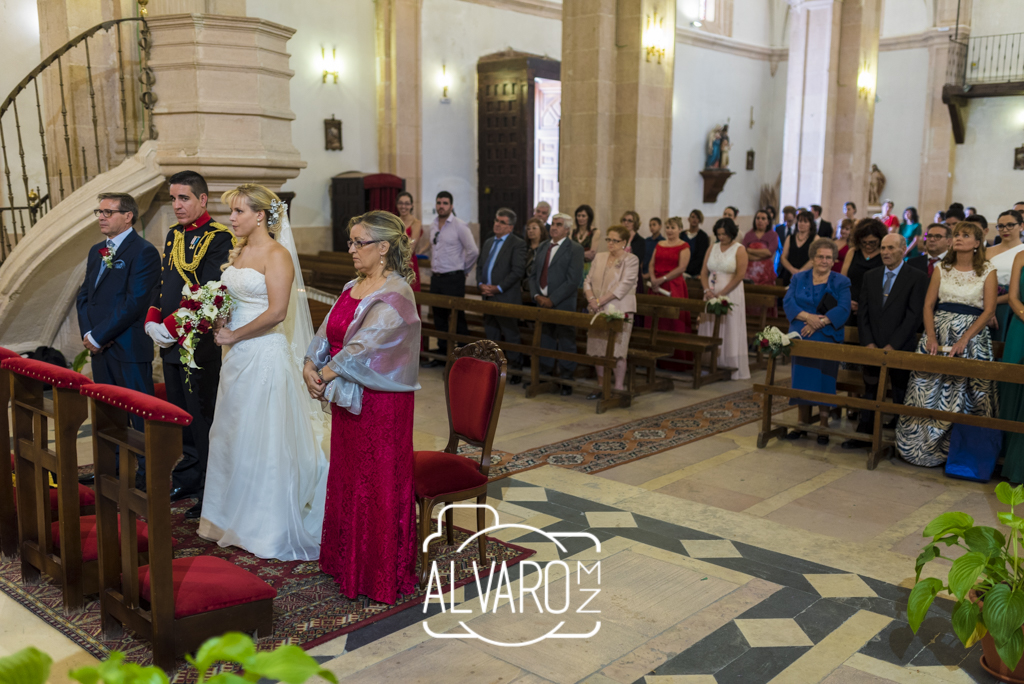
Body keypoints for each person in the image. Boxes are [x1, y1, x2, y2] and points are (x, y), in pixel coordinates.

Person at [199, 184, 329, 561]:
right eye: (231, 211)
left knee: (261, 436)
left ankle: (265, 526)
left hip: (263, 355)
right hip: (235, 357)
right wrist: (216, 316)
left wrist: (234, 334)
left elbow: (277, 312)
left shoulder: (277, 255)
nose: (231, 218)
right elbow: (231, 300)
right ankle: (227, 517)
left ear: (260, 215)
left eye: (238, 211)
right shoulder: (238, 252)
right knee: (232, 434)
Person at [303, 210, 421, 603]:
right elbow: (327, 331)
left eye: (359, 242)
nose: (352, 249)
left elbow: (365, 345)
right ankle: (345, 563)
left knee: (376, 484)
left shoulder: (397, 293)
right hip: (348, 401)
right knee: (348, 480)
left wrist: (325, 374)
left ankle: (378, 573)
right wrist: (309, 364)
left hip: (381, 406)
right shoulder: (351, 286)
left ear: (384, 247)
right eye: (350, 242)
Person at [145, 170, 235, 518]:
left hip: (197, 345)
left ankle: (211, 490)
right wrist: (152, 320)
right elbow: (164, 282)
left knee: (202, 418)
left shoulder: (219, 237)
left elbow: (210, 290)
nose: (177, 205)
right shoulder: (174, 235)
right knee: (180, 417)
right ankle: (188, 477)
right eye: (173, 198)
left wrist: (171, 327)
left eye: (184, 198)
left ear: (202, 199)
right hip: (171, 343)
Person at [76, 192, 160, 489]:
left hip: (128, 346)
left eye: (108, 212)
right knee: (107, 413)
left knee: (140, 415)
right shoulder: (96, 250)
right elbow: (85, 296)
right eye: (99, 212)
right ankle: (110, 470)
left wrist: (100, 335)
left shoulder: (144, 251)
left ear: (128, 216)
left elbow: (135, 302)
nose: (101, 217)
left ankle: (148, 474)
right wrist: (89, 334)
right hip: (101, 348)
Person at [896, 221, 997, 467]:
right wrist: (930, 336)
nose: (959, 238)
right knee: (926, 389)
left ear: (977, 243)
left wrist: (965, 338)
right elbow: (928, 305)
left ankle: (963, 456)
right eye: (957, 234)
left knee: (971, 394)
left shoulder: (987, 270)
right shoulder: (942, 268)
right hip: (938, 332)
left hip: (972, 337)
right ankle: (920, 447)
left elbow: (989, 310)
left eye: (966, 235)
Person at [842, 233, 928, 449]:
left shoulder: (916, 277)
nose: (885, 252)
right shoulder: (871, 275)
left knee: (900, 391)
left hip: (900, 345)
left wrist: (893, 346)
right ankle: (864, 433)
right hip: (873, 344)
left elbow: (914, 316)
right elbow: (863, 313)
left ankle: (901, 440)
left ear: (903, 250)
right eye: (883, 248)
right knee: (870, 390)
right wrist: (869, 343)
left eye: (891, 248)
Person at [783, 239, 852, 445]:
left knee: (825, 378)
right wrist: (808, 317)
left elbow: (844, 308)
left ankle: (823, 424)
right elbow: (788, 302)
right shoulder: (798, 278)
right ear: (812, 258)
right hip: (800, 334)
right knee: (801, 377)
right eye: (820, 256)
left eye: (828, 257)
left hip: (827, 334)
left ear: (834, 260)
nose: (824, 260)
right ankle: (801, 422)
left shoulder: (841, 281)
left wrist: (819, 323)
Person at [529, 213, 585, 396]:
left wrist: (552, 299)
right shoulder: (543, 246)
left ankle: (566, 379)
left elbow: (573, 280)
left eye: (559, 224)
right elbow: (533, 275)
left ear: (567, 229)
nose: (554, 227)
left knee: (566, 341)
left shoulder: (575, 249)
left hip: (563, 303)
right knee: (545, 340)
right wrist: (537, 295)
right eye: (553, 223)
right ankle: (545, 376)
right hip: (541, 302)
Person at [423, 191, 478, 367]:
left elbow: (473, 251)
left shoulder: (459, 225)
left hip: (453, 279)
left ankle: (464, 358)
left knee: (457, 317)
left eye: (445, 203)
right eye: (439, 203)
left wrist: (463, 270)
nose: (441, 206)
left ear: (451, 206)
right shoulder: (433, 225)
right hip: (437, 278)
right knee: (438, 317)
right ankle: (442, 354)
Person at [583, 225, 638, 397]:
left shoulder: (631, 260)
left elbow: (623, 286)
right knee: (598, 348)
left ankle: (618, 388)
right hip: (597, 309)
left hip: (619, 310)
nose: (611, 243)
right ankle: (601, 386)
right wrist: (592, 300)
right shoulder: (600, 257)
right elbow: (587, 281)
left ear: (624, 242)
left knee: (618, 351)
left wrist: (599, 301)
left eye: (615, 240)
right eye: (609, 239)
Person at [477, 208, 527, 383]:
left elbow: (517, 271)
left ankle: (515, 370)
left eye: (502, 222)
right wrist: (481, 284)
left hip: (506, 297)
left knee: (510, 334)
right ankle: (492, 369)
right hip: (488, 296)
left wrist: (498, 288)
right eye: (496, 220)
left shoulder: (517, 243)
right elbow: (480, 266)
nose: (497, 224)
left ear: (510, 227)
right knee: (491, 334)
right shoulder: (489, 242)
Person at [698, 218, 750, 380]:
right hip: (711, 292)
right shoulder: (712, 247)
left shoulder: (739, 249)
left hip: (731, 292)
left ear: (731, 233)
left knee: (729, 327)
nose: (721, 237)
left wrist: (722, 293)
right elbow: (703, 272)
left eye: (724, 234)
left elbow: (740, 275)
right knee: (710, 324)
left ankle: (729, 365)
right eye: (719, 234)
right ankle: (709, 363)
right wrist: (707, 290)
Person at [650, 217, 691, 369]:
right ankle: (655, 358)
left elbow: (682, 268)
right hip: (656, 286)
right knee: (657, 321)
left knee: (673, 321)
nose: (669, 230)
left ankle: (676, 360)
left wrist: (662, 279)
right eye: (667, 227)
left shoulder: (684, 246)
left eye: (673, 227)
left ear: (680, 229)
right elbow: (651, 264)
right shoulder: (660, 244)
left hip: (673, 286)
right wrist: (653, 279)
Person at [999, 248, 1024, 482]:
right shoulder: (1021, 256)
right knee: (1010, 385)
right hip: (1020, 326)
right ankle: (1005, 457)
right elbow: (1013, 296)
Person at [986, 210, 1024, 341]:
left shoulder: (1022, 252)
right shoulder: (986, 252)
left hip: (1013, 303)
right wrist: (987, 306)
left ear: (1021, 226)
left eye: (1010, 225)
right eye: (1001, 226)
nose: (1005, 229)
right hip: (985, 301)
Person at [841, 218, 886, 311]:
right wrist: (846, 300)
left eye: (872, 242)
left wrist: (866, 306)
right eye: (864, 242)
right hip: (850, 304)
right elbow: (842, 281)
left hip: (875, 307)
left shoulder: (884, 255)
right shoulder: (853, 252)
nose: (868, 246)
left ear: (880, 239)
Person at [779, 209, 815, 287]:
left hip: (807, 274)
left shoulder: (815, 238)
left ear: (811, 224)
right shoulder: (790, 238)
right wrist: (792, 270)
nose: (802, 224)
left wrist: (799, 272)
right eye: (800, 221)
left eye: (805, 222)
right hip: (789, 273)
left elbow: (814, 259)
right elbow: (783, 257)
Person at [742, 209, 779, 285]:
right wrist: (762, 255)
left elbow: (769, 252)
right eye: (758, 218)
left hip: (766, 272)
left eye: (763, 218)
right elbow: (743, 252)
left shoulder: (773, 235)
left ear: (768, 222)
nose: (760, 221)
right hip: (749, 271)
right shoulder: (748, 235)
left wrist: (750, 250)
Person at [395, 191, 422, 291]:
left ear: (411, 205)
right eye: (400, 203)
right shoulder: (395, 221)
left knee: (409, 294)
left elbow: (411, 248)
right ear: (397, 204)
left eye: (407, 203)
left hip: (409, 264)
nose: (403, 206)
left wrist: (401, 227)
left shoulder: (416, 223)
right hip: (395, 264)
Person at [681, 209, 709, 278]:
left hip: (696, 272)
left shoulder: (703, 236)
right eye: (693, 217)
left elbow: (702, 256)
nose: (695, 219)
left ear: (700, 220)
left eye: (697, 218)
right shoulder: (682, 235)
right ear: (688, 219)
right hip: (681, 269)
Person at [523, 216, 548, 294]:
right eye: (528, 229)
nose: (530, 231)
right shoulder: (524, 248)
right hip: (524, 285)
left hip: (540, 285)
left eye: (534, 228)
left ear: (541, 231)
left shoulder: (546, 248)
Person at [573, 204, 600, 273]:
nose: (580, 218)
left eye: (583, 216)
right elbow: (568, 252)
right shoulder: (572, 232)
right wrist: (584, 254)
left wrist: (575, 254)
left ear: (589, 217)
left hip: (588, 267)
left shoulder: (595, 232)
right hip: (573, 266)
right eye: (578, 215)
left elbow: (592, 255)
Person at [621, 210, 646, 276]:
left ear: (635, 223)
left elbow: (638, 260)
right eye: (624, 220)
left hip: (632, 273)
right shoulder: (619, 238)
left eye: (629, 221)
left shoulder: (640, 241)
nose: (626, 223)